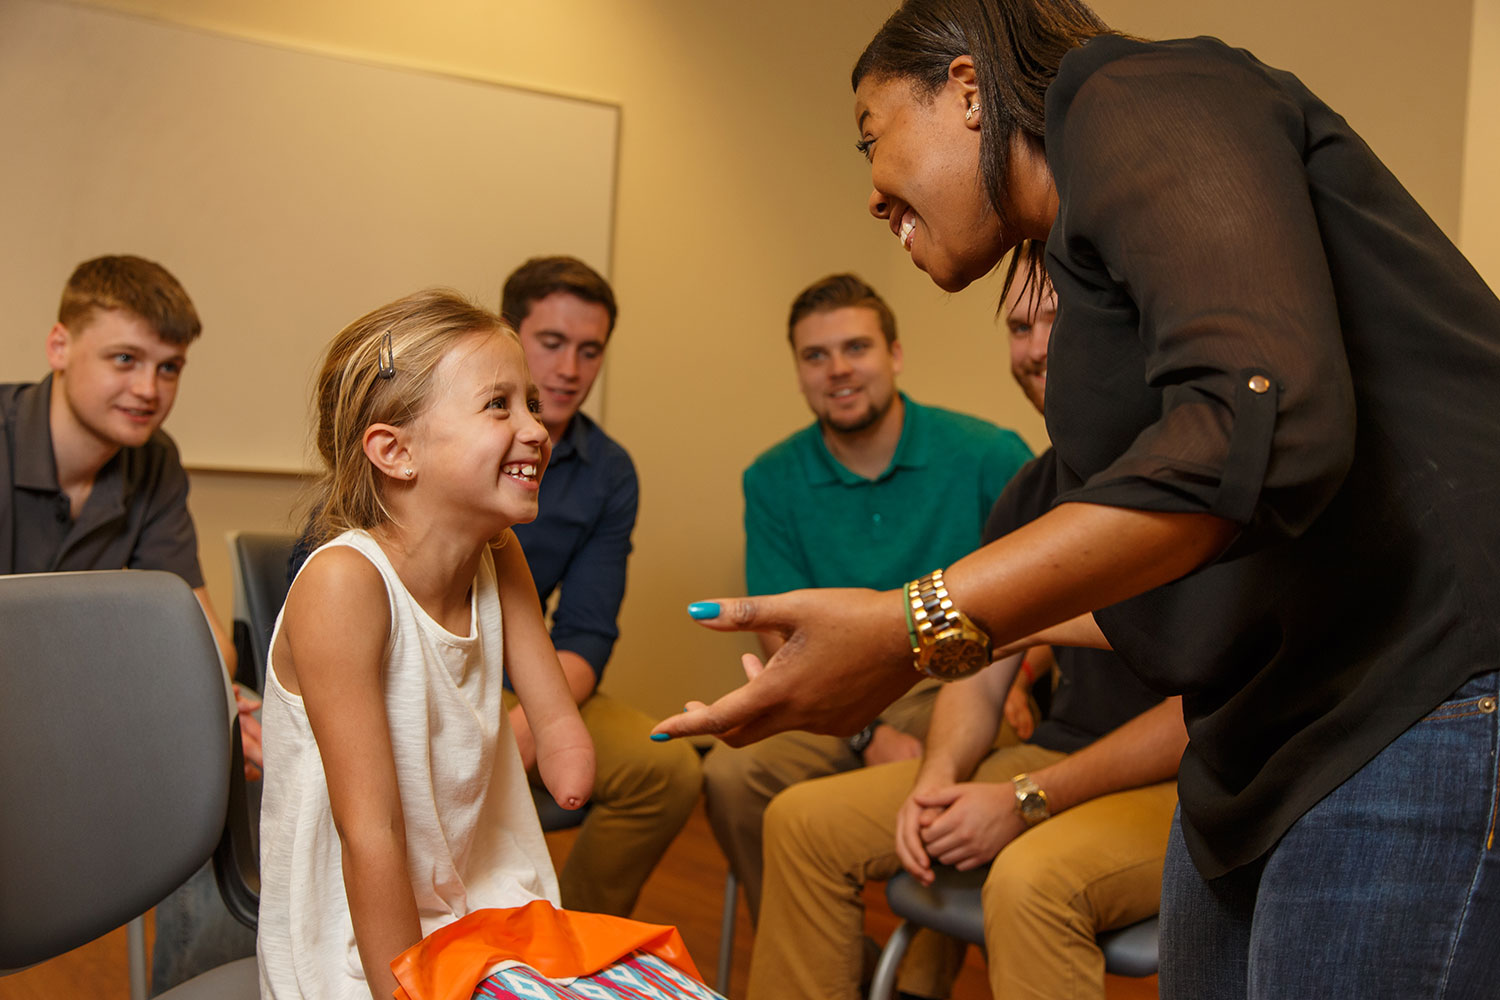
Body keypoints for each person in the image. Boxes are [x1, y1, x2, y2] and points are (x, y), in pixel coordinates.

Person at [657, 2, 1500, 997]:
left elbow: (1255, 428)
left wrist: (908, 628)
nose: (875, 196)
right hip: (1262, 725)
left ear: (968, 89)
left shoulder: (1141, 95)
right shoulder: (1084, 273)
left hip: (1418, 682)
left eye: (872, 138)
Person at [748, 245, 1184, 1000]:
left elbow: (1201, 713)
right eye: (1020, 326)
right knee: (800, 823)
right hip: (1052, 755)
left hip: (1187, 784)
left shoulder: (1186, 472)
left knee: (1027, 881)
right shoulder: (1035, 486)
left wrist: (1027, 800)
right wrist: (937, 778)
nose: (1037, 345)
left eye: (1059, 320)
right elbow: (978, 668)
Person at [257, 289, 594, 1000]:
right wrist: (406, 989)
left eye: (531, 404)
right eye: (499, 405)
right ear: (395, 451)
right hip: (363, 935)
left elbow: (554, 713)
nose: (537, 429)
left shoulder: (500, 558)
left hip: (484, 897)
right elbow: (370, 834)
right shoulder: (345, 584)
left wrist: (569, 750)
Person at [701, 272, 1033, 924]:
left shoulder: (989, 454)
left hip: (962, 680)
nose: (838, 370)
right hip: (834, 696)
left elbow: (1052, 595)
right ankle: (839, 975)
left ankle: (918, 988)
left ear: (895, 355)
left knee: (964, 773)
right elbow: (776, 633)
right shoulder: (771, 479)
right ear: (798, 373)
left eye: (856, 348)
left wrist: (1023, 672)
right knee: (727, 778)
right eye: (815, 356)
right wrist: (864, 734)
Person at [0, 254, 263, 991]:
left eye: (170, 368)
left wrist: (226, 708)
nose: (150, 390)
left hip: (84, 721)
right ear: (60, 347)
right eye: (125, 359)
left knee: (242, 765)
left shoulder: (154, 464)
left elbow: (199, 631)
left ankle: (185, 987)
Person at [500, 256, 702, 917]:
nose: (569, 370)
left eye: (590, 351)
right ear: (507, 336)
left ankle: (570, 942)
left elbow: (585, 633)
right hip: (427, 666)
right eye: (551, 344)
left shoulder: (608, 471)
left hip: (536, 676)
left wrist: (532, 723)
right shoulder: (445, 430)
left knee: (667, 772)